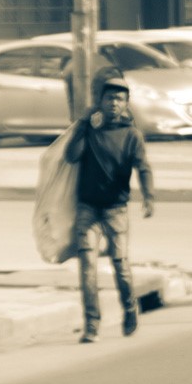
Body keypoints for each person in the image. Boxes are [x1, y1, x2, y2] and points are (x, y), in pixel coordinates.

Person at [64, 74, 153, 343]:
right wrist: (82, 124)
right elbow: (71, 155)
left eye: (119, 98)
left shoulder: (131, 135)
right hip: (88, 207)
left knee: (120, 265)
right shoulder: (89, 131)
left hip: (116, 208)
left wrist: (149, 196)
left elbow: (143, 167)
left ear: (126, 103)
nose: (113, 102)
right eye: (109, 97)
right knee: (88, 266)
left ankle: (129, 308)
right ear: (100, 102)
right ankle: (92, 324)